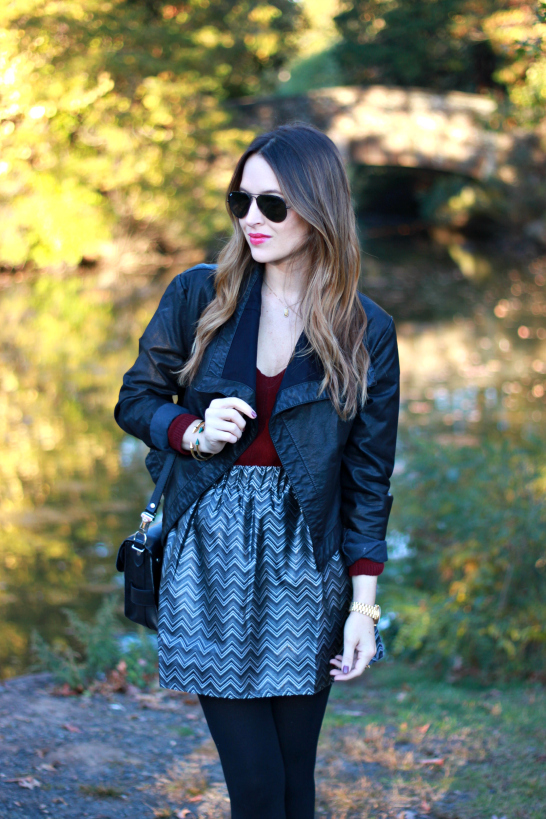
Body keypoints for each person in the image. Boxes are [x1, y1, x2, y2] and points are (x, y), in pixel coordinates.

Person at [115, 122, 400, 819]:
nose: (252, 218)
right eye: (240, 200)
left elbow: (368, 478)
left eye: (273, 204)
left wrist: (364, 609)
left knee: (294, 778)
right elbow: (136, 398)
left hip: (309, 561)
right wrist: (191, 430)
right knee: (257, 783)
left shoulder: (365, 330)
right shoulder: (199, 294)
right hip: (209, 556)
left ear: (318, 208)